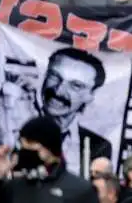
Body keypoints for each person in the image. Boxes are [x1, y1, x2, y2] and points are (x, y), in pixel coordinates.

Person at [0, 116, 99, 203]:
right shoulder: (13, 187)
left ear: (50, 149)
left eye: (31, 143)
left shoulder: (80, 189)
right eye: (22, 144)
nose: (24, 149)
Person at [41, 47, 112, 176]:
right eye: (55, 76)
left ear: (90, 96)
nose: (58, 91)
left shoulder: (98, 145)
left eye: (75, 85)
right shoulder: (15, 129)